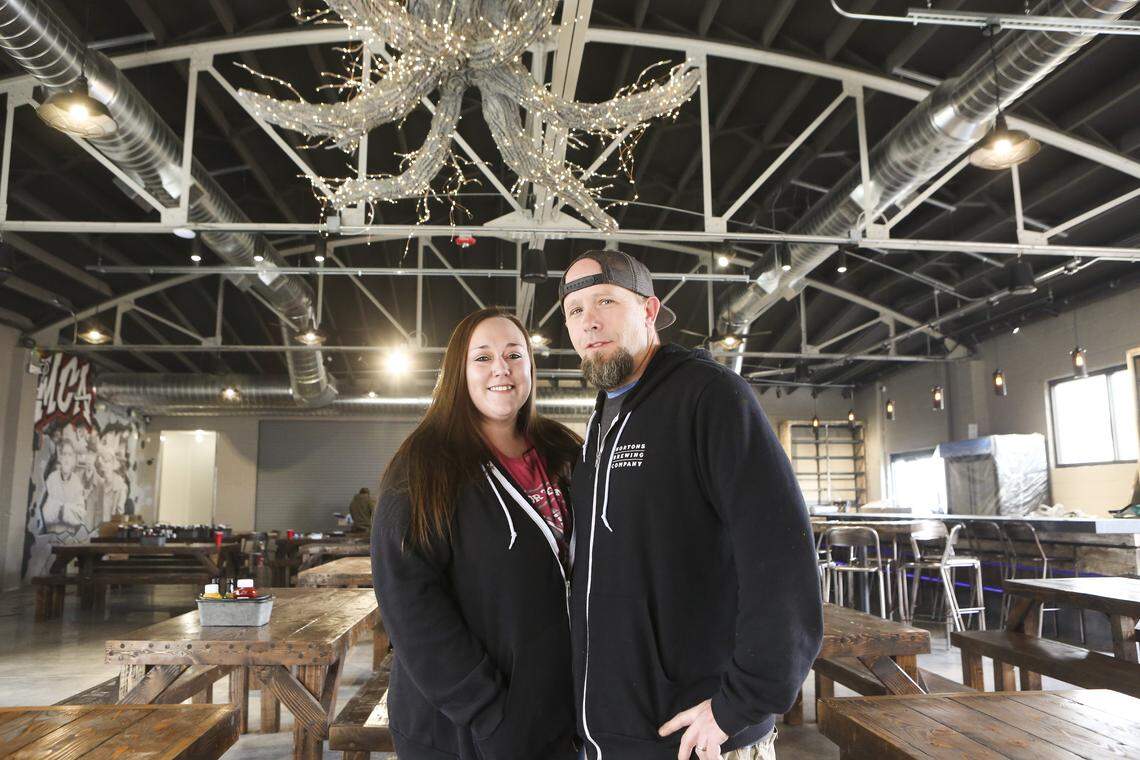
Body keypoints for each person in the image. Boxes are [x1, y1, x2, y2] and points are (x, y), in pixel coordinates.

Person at [560, 250, 823, 760]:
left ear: (650, 310)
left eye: (605, 301)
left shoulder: (711, 398)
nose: (588, 320)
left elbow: (782, 562)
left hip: (698, 738)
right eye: (574, 310)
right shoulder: (600, 422)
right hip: (613, 734)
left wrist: (739, 706)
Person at [372, 307, 582, 760]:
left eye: (514, 354)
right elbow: (409, 604)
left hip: (557, 710)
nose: (501, 369)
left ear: (530, 365)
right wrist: (487, 709)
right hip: (462, 726)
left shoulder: (564, 451)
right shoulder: (423, 465)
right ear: (457, 372)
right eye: (482, 357)